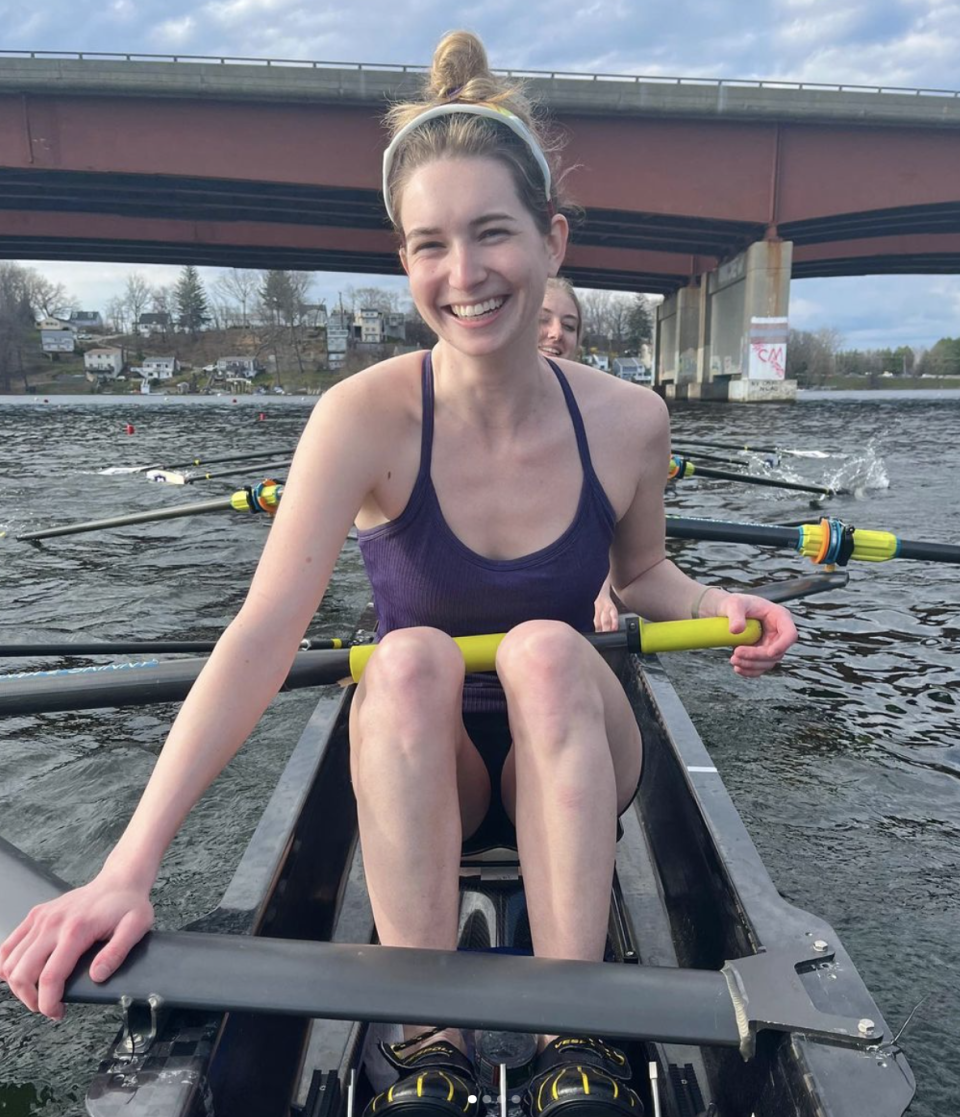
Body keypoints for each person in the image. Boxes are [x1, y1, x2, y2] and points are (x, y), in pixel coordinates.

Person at [0, 30, 797, 1116]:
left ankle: (582, 1031)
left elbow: (645, 571)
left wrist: (718, 605)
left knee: (551, 648)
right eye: (430, 245)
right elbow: (263, 631)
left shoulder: (630, 420)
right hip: (428, 766)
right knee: (410, 657)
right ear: (404, 259)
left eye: (491, 235)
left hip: (572, 752)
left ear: (553, 241)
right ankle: (424, 1040)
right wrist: (129, 864)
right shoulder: (360, 417)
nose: (463, 276)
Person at [537, 278, 620, 632]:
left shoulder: (603, 419)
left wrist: (603, 592)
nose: (557, 333)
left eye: (569, 326)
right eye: (542, 320)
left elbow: (606, 528)